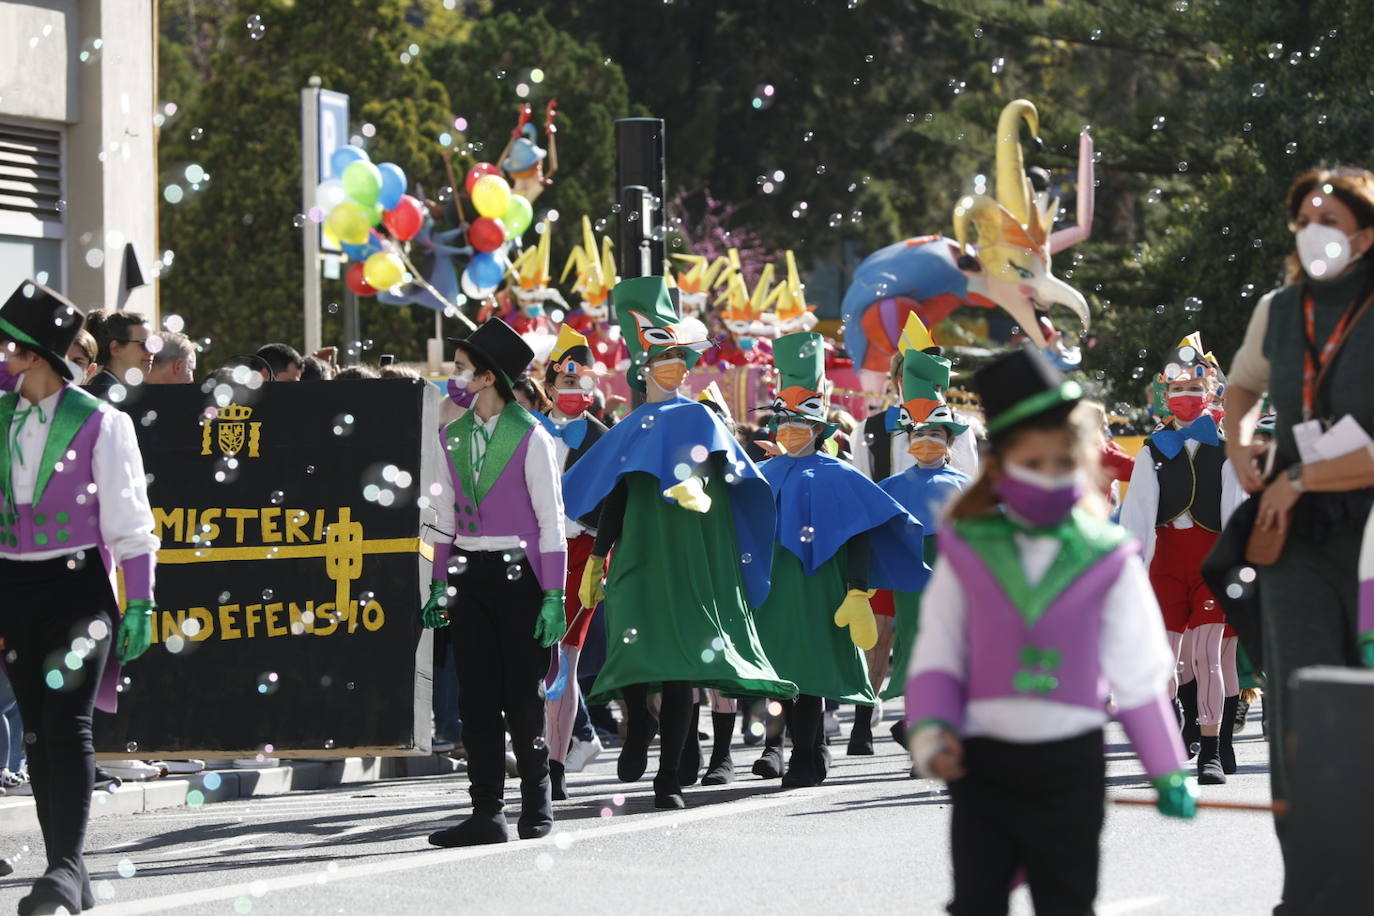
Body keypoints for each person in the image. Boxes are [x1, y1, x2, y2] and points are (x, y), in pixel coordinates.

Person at [905, 345, 1196, 916]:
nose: (1050, 478)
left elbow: (1139, 675)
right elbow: (938, 652)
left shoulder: (1109, 556)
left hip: (1071, 766)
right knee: (977, 902)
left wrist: (1167, 768)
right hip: (982, 763)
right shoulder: (968, 547)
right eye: (1032, 465)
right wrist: (931, 728)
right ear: (999, 466)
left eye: (1064, 465)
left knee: (1066, 903)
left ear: (1086, 463)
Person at [561, 276, 796, 809]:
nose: (673, 367)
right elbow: (615, 494)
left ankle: (669, 777)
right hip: (640, 553)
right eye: (662, 357)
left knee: (680, 665)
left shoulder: (700, 417)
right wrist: (599, 557)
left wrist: (704, 490)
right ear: (645, 368)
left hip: (689, 555)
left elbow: (740, 482)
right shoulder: (631, 425)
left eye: (679, 359)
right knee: (634, 646)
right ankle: (639, 724)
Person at [1223, 166, 1374, 911]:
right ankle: (1311, 888)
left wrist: (1304, 477)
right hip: (1293, 539)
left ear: (1367, 235)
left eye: (1331, 219)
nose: (1315, 231)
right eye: (1304, 218)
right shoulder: (1279, 311)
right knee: (1300, 707)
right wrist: (1240, 440)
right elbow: (1242, 385)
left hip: (1372, 536)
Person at [0, 280, 160, 914]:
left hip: (76, 589)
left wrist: (142, 601)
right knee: (37, 729)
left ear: (35, 352)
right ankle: (71, 870)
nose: (2, 354)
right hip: (13, 586)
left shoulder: (102, 422)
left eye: (10, 344)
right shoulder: (0, 414)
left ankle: (64, 868)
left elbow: (131, 521)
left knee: (67, 722)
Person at [749, 331, 928, 787]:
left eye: (801, 419)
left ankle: (809, 752)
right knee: (779, 672)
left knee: (810, 670)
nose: (791, 429)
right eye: (784, 419)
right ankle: (792, 749)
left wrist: (857, 590)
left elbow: (863, 532)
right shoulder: (761, 474)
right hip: (776, 587)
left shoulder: (838, 472)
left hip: (821, 586)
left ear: (819, 424)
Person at [421, 318, 567, 848]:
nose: (452, 377)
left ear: (487, 378)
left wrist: (553, 594)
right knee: (475, 699)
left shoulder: (531, 437)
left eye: (461, 369)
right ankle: (487, 811)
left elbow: (551, 521)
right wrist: (438, 583)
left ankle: (537, 800)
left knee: (520, 695)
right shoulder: (450, 435)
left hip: (520, 575)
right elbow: (439, 513)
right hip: (469, 573)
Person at [1120, 334, 1241, 784]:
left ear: (1208, 394)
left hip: (1210, 564)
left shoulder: (1227, 447)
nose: (1186, 397)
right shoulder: (1152, 448)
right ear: (1164, 394)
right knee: (1165, 660)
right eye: (1178, 389)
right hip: (1165, 564)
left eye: (1195, 389)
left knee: (1208, 655)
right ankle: (1171, 727)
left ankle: (1210, 749)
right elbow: (1136, 514)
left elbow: (1236, 511)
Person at [875, 333, 973, 742]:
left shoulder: (966, 484)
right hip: (911, 573)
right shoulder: (892, 486)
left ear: (950, 442)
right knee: (915, 646)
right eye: (918, 434)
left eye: (936, 434)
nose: (926, 442)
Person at [535, 325, 610, 799]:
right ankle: (539, 753)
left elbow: (614, 502)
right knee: (534, 663)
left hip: (582, 555)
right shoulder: (526, 431)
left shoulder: (605, 437)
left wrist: (597, 545)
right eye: (567, 383)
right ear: (549, 385)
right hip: (531, 554)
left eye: (584, 385)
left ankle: (556, 765)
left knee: (565, 662)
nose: (575, 393)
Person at [83, 309, 153, 397]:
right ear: (115, 348)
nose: (151, 351)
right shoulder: (100, 394)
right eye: (144, 344)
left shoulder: (121, 390)